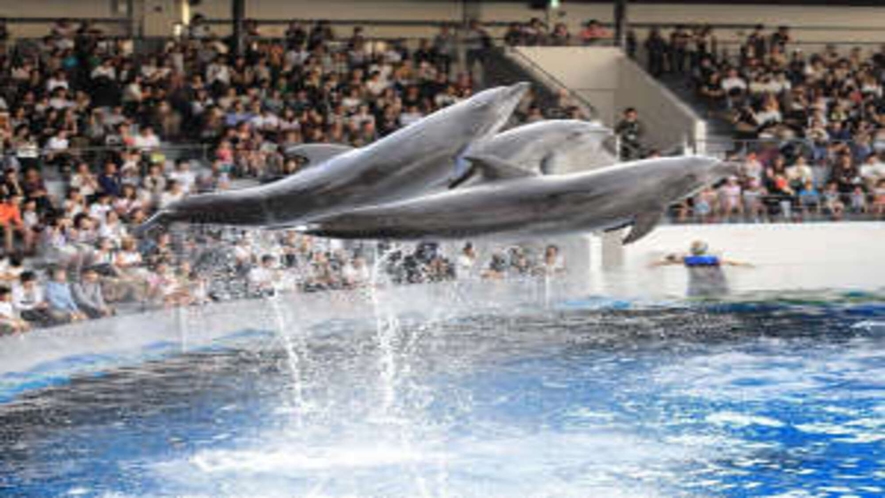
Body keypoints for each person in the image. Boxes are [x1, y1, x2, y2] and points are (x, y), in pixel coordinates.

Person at [653, 240, 751, 298]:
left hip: (700, 289)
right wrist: (745, 265)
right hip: (716, 287)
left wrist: (656, 264)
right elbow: (730, 263)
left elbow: (670, 260)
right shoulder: (711, 258)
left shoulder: (689, 259)